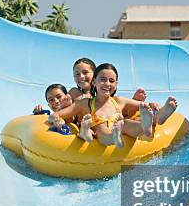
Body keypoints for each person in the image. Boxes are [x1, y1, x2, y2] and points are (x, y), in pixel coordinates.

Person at [49, 63, 178, 148]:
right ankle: (117, 136)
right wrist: (56, 119)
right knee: (102, 128)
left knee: (128, 122)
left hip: (120, 127)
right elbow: (56, 114)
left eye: (111, 81)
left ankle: (157, 119)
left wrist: (153, 105)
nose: (107, 84)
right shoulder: (85, 103)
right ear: (94, 82)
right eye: (103, 80)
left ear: (116, 84)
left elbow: (145, 106)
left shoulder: (119, 101)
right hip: (104, 132)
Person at [69, 57, 147, 102]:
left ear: (95, 74)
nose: (81, 77)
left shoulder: (104, 92)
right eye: (77, 74)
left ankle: (134, 102)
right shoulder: (74, 92)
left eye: (85, 72)